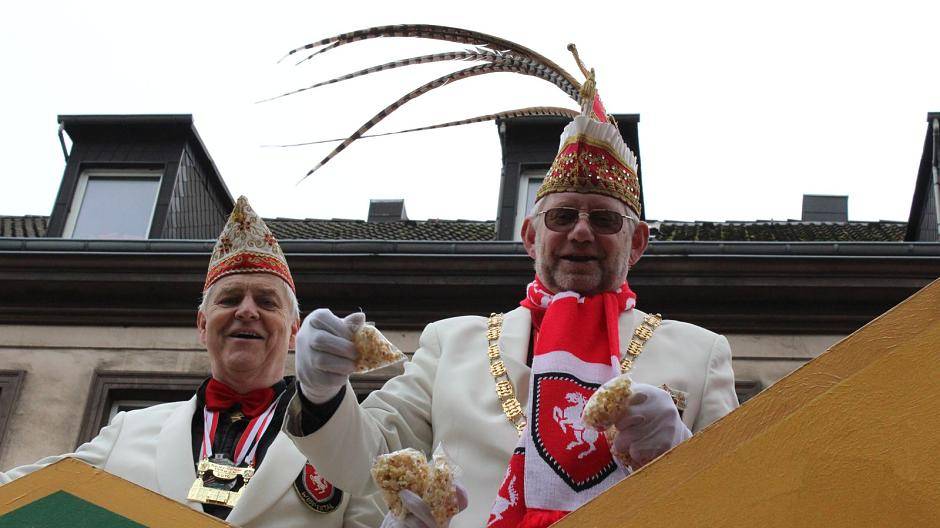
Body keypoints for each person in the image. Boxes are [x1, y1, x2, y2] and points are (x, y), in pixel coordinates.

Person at [286, 75, 739, 528]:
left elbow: (748, 499)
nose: (581, 231)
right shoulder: (452, 344)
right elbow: (364, 464)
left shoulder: (701, 355)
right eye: (562, 215)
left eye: (604, 219)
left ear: (637, 242)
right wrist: (321, 393)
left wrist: (682, 453)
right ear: (529, 236)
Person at [0, 196, 381, 528]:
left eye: (266, 302)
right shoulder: (128, 431)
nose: (247, 312)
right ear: (202, 325)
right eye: (230, 299)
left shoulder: (342, 441)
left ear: (294, 330)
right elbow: (21, 494)